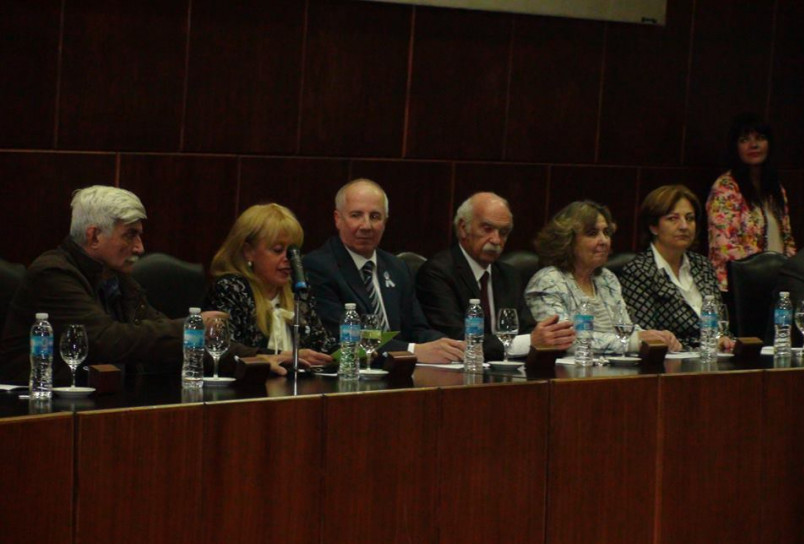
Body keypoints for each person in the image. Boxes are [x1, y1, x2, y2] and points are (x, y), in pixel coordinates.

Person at [0, 185, 286, 384]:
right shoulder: (53, 274)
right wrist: (190, 326)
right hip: (32, 408)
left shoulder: (118, 279)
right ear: (94, 236)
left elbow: (154, 327)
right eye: (130, 235)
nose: (139, 247)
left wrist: (261, 357)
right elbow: (107, 340)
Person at [303, 178, 465, 363]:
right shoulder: (318, 266)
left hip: (402, 372)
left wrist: (451, 347)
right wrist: (412, 350)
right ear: (337, 219)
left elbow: (417, 329)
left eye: (375, 216)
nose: (366, 226)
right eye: (356, 215)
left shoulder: (397, 267)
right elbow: (342, 339)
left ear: (385, 221)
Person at [416, 192, 575, 360]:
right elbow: (458, 339)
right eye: (487, 229)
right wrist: (529, 342)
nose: (496, 240)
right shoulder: (438, 272)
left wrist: (547, 338)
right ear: (463, 228)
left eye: (504, 232)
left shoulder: (509, 275)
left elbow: (527, 328)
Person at [524, 200, 682, 355]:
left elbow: (626, 329)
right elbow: (565, 340)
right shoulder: (548, 281)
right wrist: (636, 341)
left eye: (606, 233)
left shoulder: (607, 278)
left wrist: (657, 337)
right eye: (592, 234)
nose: (604, 241)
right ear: (568, 240)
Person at [205, 203, 335, 367]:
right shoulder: (231, 288)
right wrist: (283, 356)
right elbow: (226, 351)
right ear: (248, 252)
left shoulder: (297, 287)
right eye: (278, 250)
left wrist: (349, 352)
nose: (288, 259)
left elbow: (321, 343)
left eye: (292, 251)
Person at [620, 185, 734, 350]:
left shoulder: (702, 265)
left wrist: (725, 340)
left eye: (690, 218)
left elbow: (720, 325)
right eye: (673, 218)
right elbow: (648, 337)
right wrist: (703, 346)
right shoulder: (639, 270)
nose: (684, 226)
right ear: (653, 227)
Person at [706, 113, 796, 290]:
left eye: (760, 138)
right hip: (738, 287)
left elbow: (787, 239)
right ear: (735, 147)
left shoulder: (775, 188)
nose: (753, 145)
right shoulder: (726, 188)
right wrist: (761, 272)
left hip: (776, 284)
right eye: (744, 139)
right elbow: (725, 247)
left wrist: (790, 273)